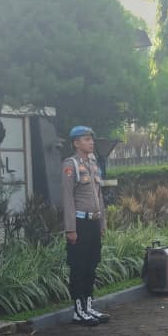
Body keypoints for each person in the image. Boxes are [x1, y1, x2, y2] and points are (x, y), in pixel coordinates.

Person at [61, 126, 110, 325]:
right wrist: (70, 228)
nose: (91, 142)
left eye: (91, 139)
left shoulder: (92, 163)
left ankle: (89, 307)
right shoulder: (70, 164)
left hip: (94, 222)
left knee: (91, 265)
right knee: (79, 267)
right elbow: (67, 198)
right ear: (76, 143)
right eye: (86, 139)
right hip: (79, 224)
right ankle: (78, 310)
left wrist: (102, 223)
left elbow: (99, 196)